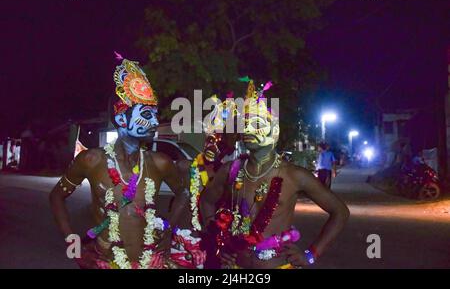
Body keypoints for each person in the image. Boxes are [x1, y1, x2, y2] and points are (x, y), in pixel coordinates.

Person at [49, 55, 189, 269]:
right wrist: (74, 248)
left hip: (150, 262)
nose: (154, 121)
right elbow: (57, 196)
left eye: (154, 114)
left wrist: (168, 228)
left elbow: (183, 192)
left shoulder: (160, 162)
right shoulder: (92, 160)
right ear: (122, 119)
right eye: (146, 114)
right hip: (105, 262)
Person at [200, 79, 349, 269]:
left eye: (256, 123)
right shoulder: (230, 170)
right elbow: (206, 201)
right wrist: (218, 241)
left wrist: (311, 254)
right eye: (244, 123)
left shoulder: (294, 175)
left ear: (274, 131)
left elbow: (340, 212)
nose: (247, 129)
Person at [172, 94, 238, 269]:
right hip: (184, 242)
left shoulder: (228, 174)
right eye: (211, 139)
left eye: (222, 143)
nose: (215, 146)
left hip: (213, 245)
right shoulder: (184, 167)